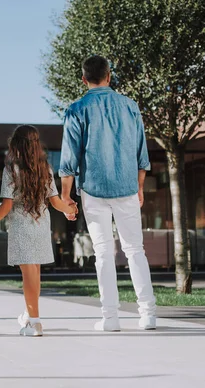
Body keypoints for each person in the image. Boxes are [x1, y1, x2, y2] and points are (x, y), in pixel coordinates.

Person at [58, 55, 157, 331]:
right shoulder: (130, 106)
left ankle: (110, 318)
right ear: (109, 76)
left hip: (93, 189)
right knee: (135, 250)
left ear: (83, 79)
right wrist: (139, 187)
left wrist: (66, 196)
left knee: (102, 253)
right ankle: (148, 314)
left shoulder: (76, 109)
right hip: (126, 188)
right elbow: (141, 154)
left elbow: (69, 158)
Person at [0, 125, 77, 336]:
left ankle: (35, 322)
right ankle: (29, 314)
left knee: (29, 276)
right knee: (34, 275)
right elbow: (56, 202)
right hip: (41, 226)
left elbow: (6, 206)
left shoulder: (11, 169)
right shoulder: (45, 169)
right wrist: (70, 210)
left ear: (16, 145)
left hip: (21, 227)